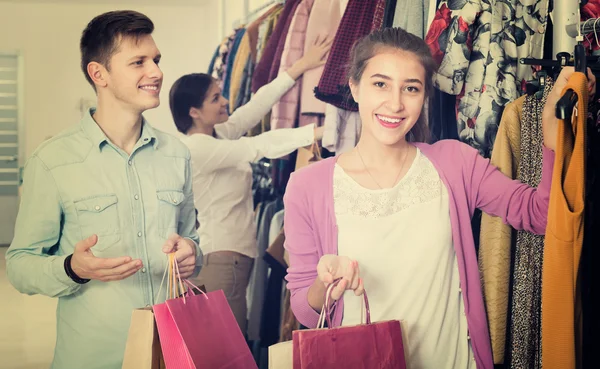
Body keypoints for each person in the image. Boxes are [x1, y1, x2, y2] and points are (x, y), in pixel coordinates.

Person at [283, 27, 596, 369]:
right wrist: (325, 281)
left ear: (424, 96)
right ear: (355, 87)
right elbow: (303, 307)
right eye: (380, 84)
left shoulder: (454, 162)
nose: (395, 103)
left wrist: (553, 136)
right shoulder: (307, 186)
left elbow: (540, 215)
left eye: (411, 88)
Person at [5, 11, 201, 369]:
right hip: (93, 358)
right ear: (99, 74)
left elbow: (192, 240)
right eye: (138, 62)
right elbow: (20, 265)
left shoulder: (176, 154)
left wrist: (191, 252)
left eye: (156, 60)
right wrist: (73, 268)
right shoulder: (52, 161)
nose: (156, 72)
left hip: (171, 354)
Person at [168, 37, 331, 335]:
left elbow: (255, 106)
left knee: (222, 338)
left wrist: (299, 67)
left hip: (228, 254)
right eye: (216, 98)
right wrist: (322, 131)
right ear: (194, 111)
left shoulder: (217, 134)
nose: (225, 102)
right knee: (226, 341)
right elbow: (259, 145)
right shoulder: (197, 148)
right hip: (221, 256)